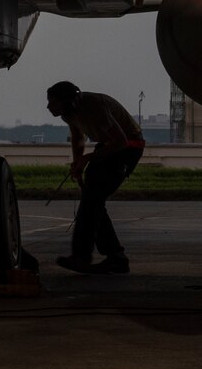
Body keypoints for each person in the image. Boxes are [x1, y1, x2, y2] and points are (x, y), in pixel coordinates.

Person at [45, 81, 145, 274]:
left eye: (53, 102)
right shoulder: (69, 113)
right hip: (108, 147)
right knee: (93, 202)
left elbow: (121, 142)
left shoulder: (93, 107)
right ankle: (115, 257)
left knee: (91, 201)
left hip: (128, 148)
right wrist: (78, 164)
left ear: (67, 102)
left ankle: (83, 256)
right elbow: (78, 137)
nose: (48, 107)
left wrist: (87, 158)